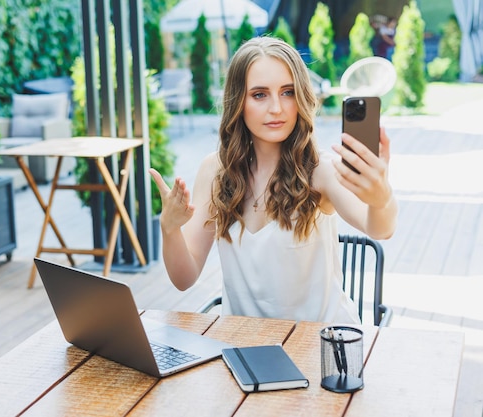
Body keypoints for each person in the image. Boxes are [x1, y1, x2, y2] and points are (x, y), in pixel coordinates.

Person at [149, 37, 397, 324]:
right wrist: (170, 229)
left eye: (288, 92)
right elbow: (184, 277)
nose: (277, 108)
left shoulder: (321, 170)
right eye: (259, 95)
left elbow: (380, 228)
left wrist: (381, 198)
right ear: (238, 102)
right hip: (243, 351)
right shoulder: (215, 171)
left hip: (319, 352)